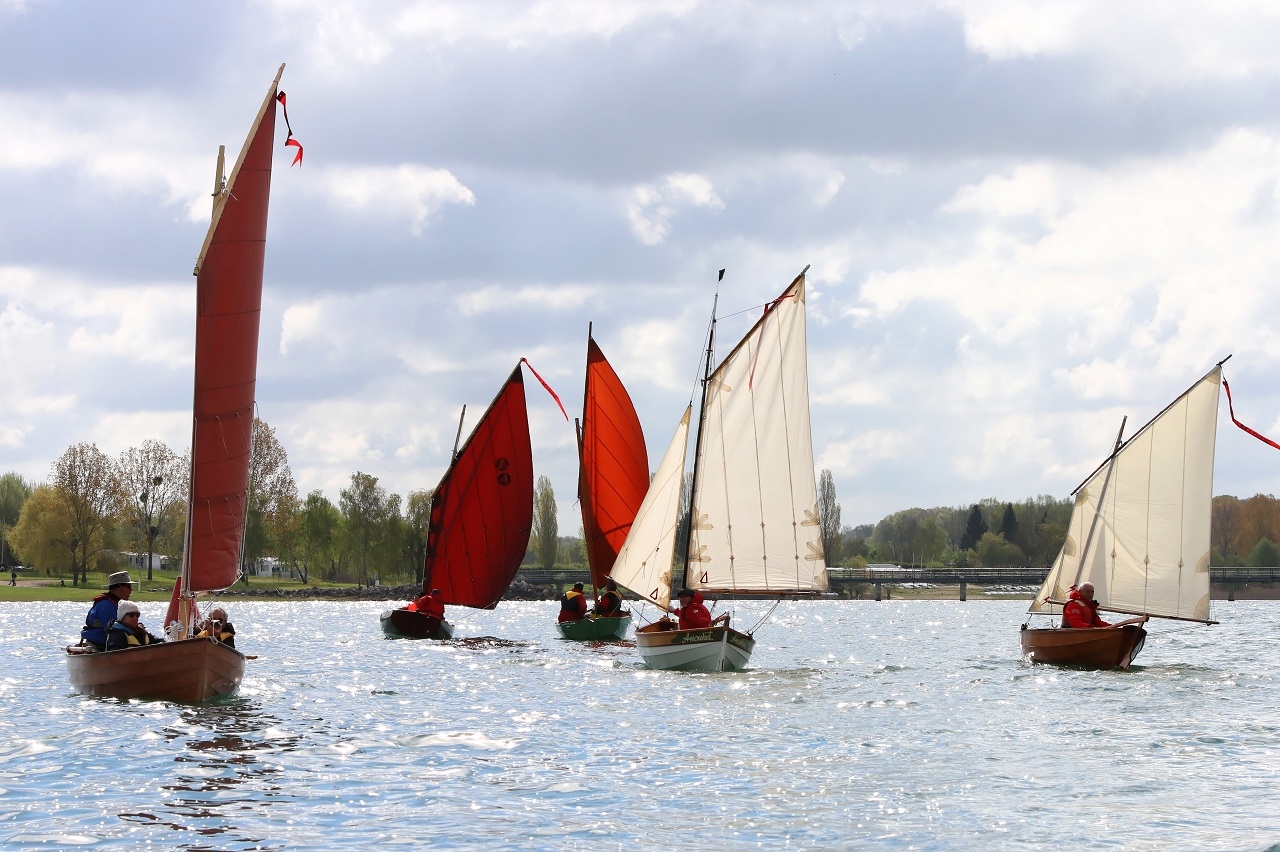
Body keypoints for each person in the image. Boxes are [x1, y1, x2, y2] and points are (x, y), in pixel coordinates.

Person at [81, 571, 135, 650]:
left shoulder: (116, 605)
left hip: (112, 646)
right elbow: (115, 630)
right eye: (129, 586)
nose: (131, 590)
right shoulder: (105, 606)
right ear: (119, 586)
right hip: (99, 648)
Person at [1061, 583, 1149, 629]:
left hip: (1086, 633)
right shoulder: (1073, 605)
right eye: (1088, 591)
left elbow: (1098, 622)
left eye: (1092, 592)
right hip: (1071, 634)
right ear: (1080, 592)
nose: (1091, 594)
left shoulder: (1089, 607)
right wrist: (1093, 628)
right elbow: (1075, 623)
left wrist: (1113, 627)